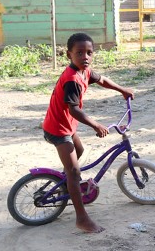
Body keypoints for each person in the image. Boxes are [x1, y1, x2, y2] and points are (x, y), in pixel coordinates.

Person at [42, 33, 134, 233]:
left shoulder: (84, 71)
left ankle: (67, 184)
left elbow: (102, 80)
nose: (85, 56)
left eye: (89, 53)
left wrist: (122, 90)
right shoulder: (73, 79)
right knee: (74, 172)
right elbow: (74, 109)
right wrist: (96, 125)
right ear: (69, 55)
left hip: (66, 125)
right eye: (79, 53)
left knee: (79, 151)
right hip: (58, 129)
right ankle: (81, 218)